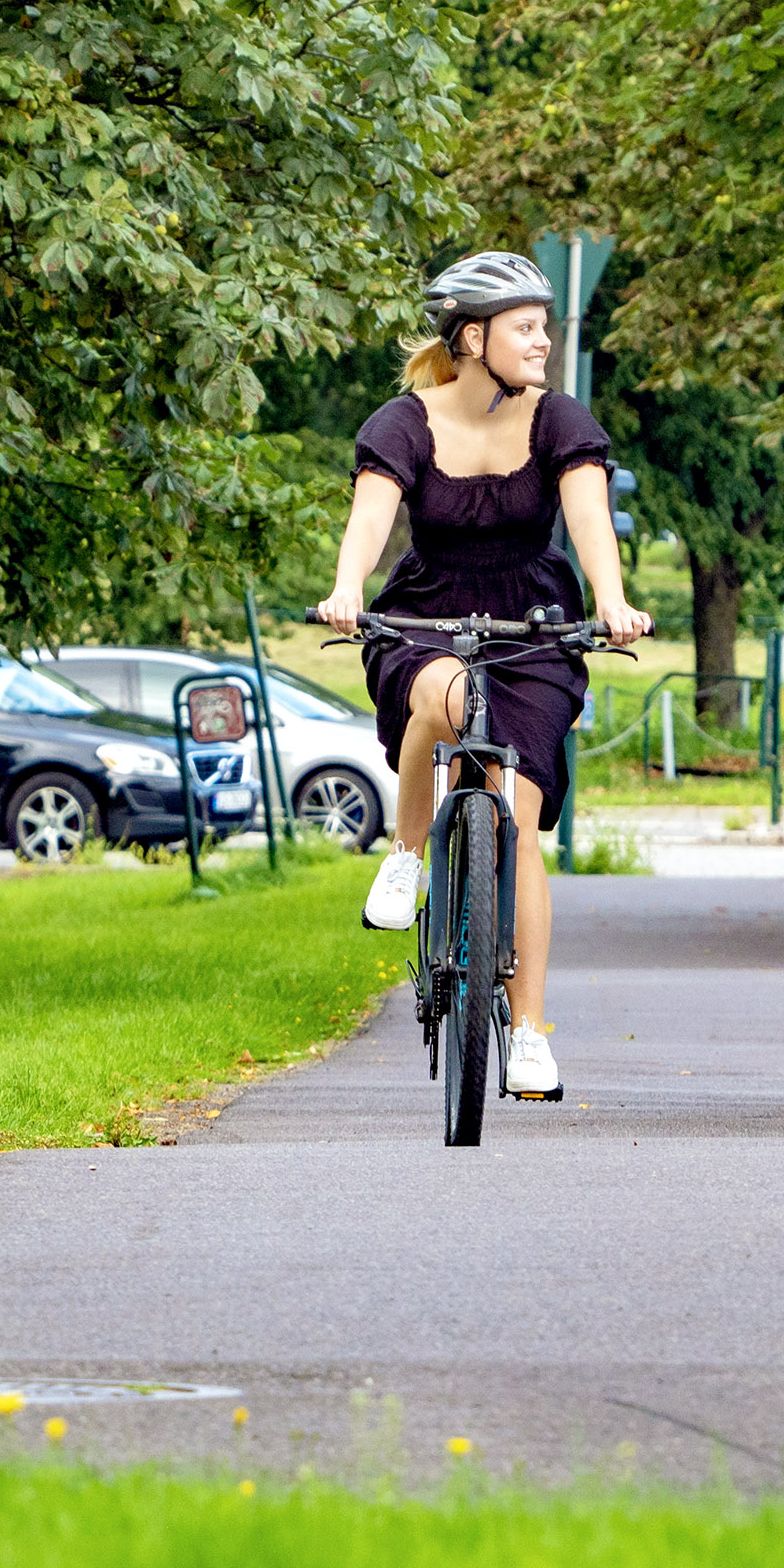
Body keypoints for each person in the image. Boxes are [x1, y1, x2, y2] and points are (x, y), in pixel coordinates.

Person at [315, 251, 654, 1101]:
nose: (544, 342)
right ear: (473, 338)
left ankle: (529, 1032)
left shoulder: (559, 421)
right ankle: (406, 851)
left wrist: (612, 602)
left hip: (531, 625)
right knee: (444, 695)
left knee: (520, 813)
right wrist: (347, 588)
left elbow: (588, 522)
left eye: (545, 326)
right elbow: (371, 515)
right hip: (425, 615)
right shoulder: (405, 422)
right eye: (527, 328)